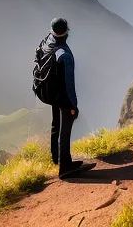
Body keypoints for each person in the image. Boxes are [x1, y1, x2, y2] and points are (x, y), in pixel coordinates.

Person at [42, 17, 86, 178]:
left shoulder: (48, 42)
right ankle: (65, 168)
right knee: (65, 130)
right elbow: (69, 84)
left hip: (52, 92)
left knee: (56, 125)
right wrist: (73, 105)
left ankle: (58, 159)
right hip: (63, 96)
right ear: (67, 32)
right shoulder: (65, 55)